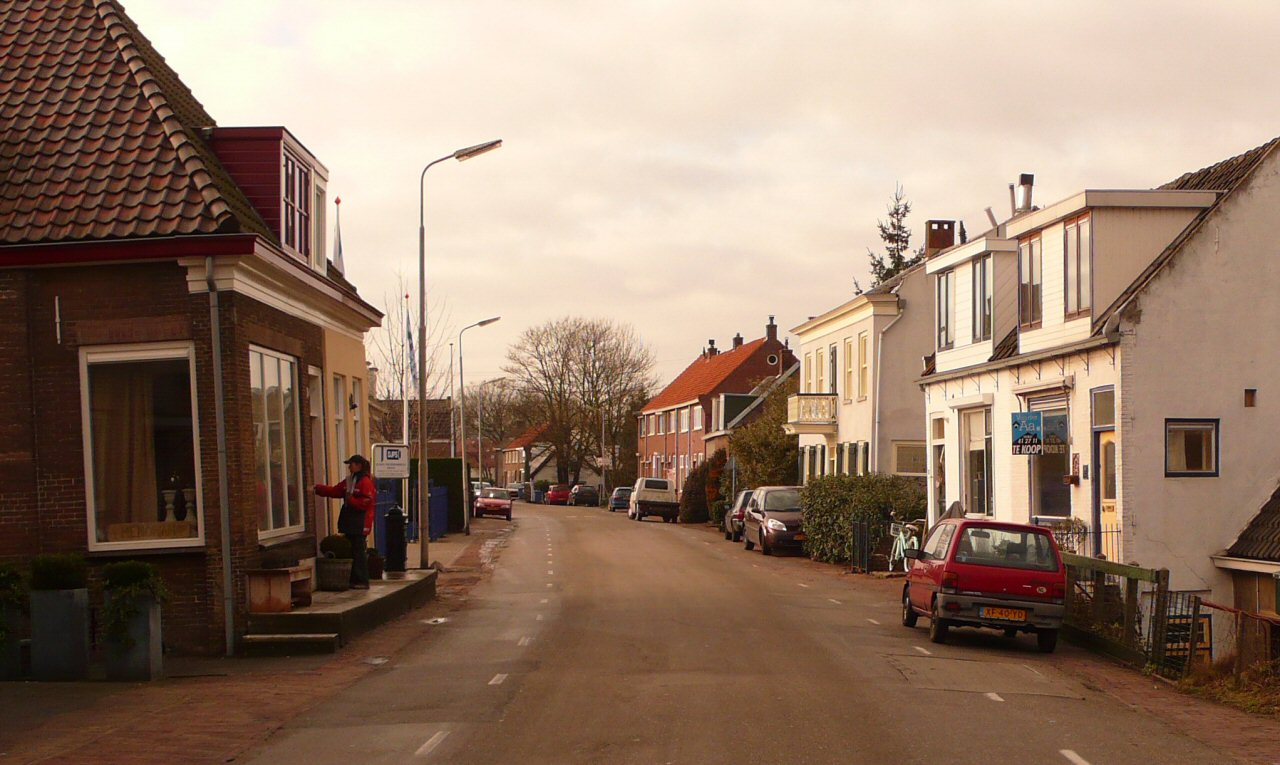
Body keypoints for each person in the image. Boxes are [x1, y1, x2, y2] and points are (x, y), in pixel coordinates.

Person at [315, 454, 376, 589]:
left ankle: (362, 580)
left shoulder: (365, 482)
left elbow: (366, 502)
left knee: (358, 551)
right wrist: (318, 489)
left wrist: (351, 500)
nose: (349, 467)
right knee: (352, 550)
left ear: (359, 466)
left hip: (360, 522)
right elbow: (336, 491)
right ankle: (354, 579)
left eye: (351, 464)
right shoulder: (350, 481)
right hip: (350, 521)